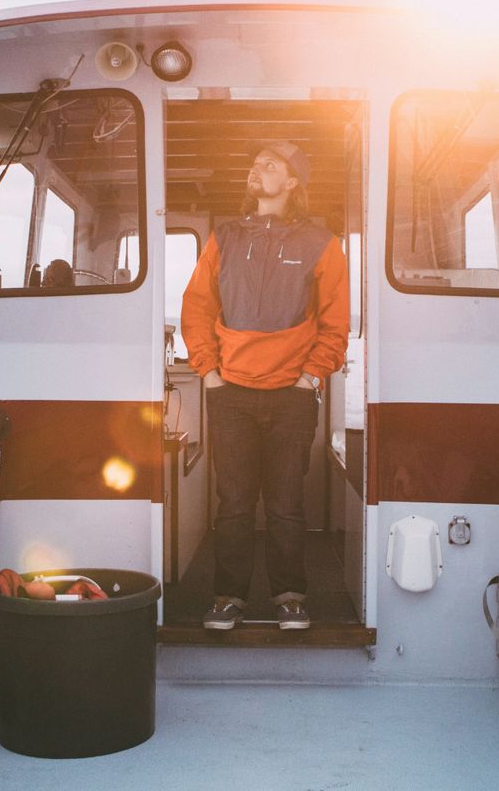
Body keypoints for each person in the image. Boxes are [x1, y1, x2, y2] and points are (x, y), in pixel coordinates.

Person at [180, 140, 350, 630]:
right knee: (232, 503)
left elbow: (336, 323)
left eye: (273, 164)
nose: (260, 167)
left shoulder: (322, 242)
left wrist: (308, 378)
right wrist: (208, 373)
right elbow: (197, 308)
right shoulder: (225, 237)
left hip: (292, 394)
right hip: (229, 391)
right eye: (256, 162)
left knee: (285, 502)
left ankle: (290, 596)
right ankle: (228, 597)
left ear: (293, 183)